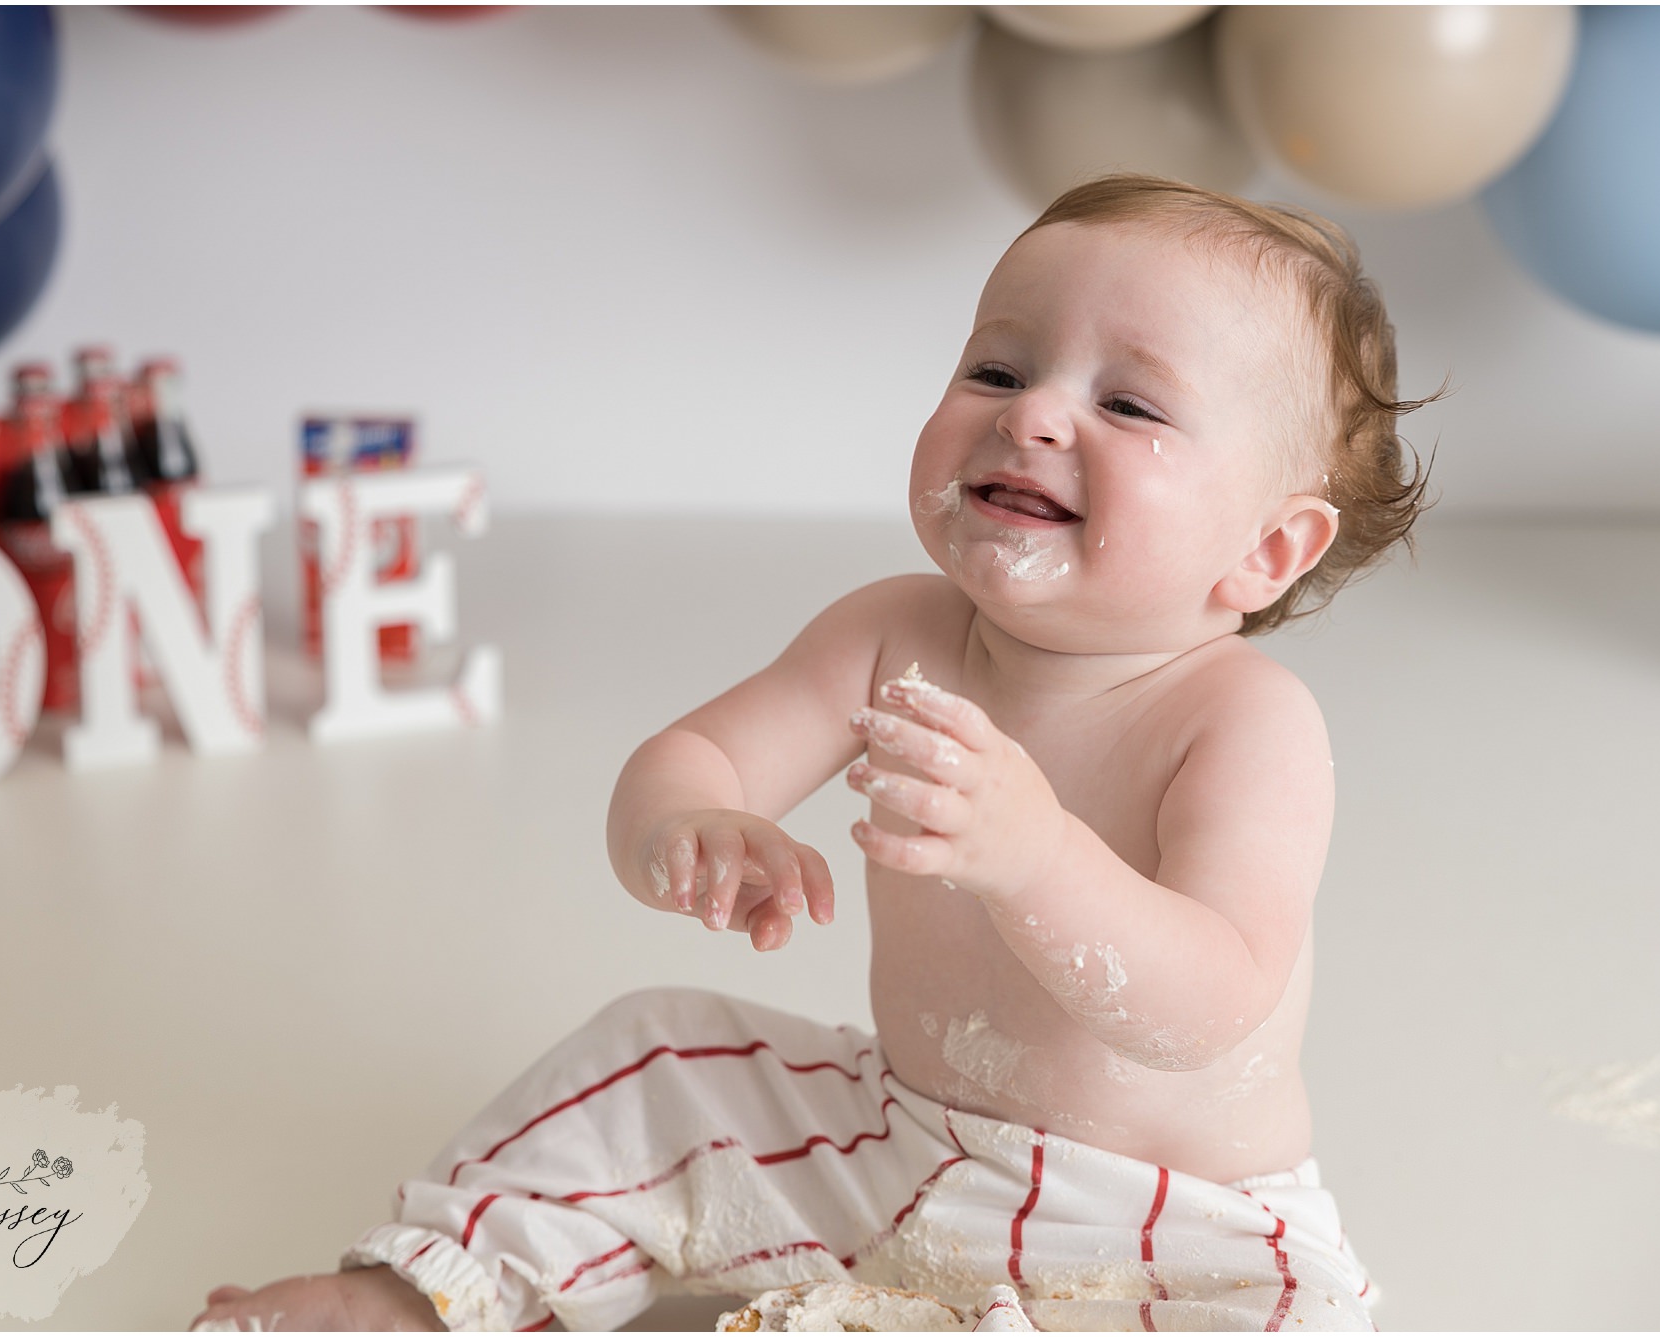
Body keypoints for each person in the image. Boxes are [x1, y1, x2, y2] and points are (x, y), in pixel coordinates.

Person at [190, 173, 1439, 1333]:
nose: (1035, 415)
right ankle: (416, 1295)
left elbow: (1208, 1003)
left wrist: (1036, 851)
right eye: (996, 369)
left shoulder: (1242, 719)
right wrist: (692, 823)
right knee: (659, 1052)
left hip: (1167, 1227)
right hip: (894, 1143)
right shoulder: (893, 632)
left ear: (1268, 550)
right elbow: (690, 757)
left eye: (1126, 402)